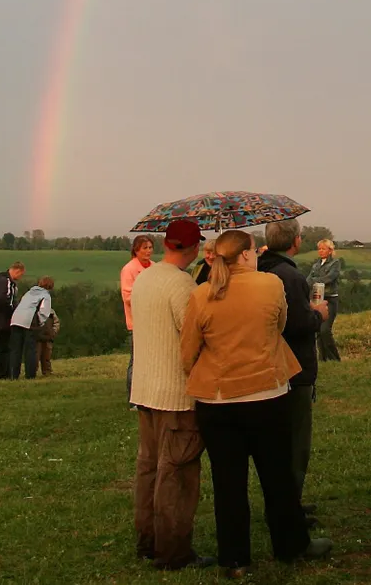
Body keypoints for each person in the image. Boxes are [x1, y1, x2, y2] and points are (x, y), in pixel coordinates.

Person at [181, 230, 333, 574]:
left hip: (217, 400)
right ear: (248, 255)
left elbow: (188, 351)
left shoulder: (201, 294)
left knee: (228, 483)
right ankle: (290, 545)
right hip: (266, 394)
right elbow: (278, 327)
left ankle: (234, 560)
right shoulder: (269, 286)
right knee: (277, 475)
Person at [130, 218, 212, 571]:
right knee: (176, 474)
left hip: (145, 389)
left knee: (148, 468)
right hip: (176, 395)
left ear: (166, 244)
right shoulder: (182, 286)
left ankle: (148, 540)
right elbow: (193, 337)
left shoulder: (144, 277)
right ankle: (174, 552)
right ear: (194, 249)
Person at [259, 218, 330, 510]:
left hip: (267, 364)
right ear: (296, 241)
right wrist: (318, 315)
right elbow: (298, 324)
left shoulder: (260, 269)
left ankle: (282, 501)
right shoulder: (291, 276)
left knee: (276, 441)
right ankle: (289, 507)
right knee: (296, 443)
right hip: (295, 367)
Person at [122, 235, 156, 397]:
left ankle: (149, 393)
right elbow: (127, 297)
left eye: (150, 247)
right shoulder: (129, 269)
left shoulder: (155, 267)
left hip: (155, 320)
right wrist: (148, 296)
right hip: (137, 322)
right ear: (136, 250)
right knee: (136, 360)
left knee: (152, 360)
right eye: (145, 248)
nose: (148, 251)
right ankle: (133, 397)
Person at [8, 276, 54, 380]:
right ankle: (30, 375)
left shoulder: (29, 293)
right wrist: (40, 324)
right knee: (30, 350)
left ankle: (13, 375)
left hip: (15, 320)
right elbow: (44, 312)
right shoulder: (45, 295)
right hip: (29, 321)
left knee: (16, 349)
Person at [0, 261, 24, 379]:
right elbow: (3, 299)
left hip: (2, 319)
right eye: (21, 274)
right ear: (16, 270)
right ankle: (0, 373)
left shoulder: (8, 282)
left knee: (4, 346)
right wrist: (13, 310)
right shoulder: (5, 281)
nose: (20, 278)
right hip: (2, 320)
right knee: (3, 347)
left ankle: (3, 372)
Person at [308, 240, 343, 363]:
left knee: (325, 329)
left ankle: (334, 359)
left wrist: (314, 281)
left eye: (323, 249)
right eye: (319, 249)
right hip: (317, 299)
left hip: (330, 299)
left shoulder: (335, 263)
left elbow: (329, 278)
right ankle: (323, 359)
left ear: (330, 250)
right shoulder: (316, 265)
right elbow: (308, 279)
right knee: (318, 330)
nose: (320, 251)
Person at [36, 308, 60, 377]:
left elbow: (56, 322)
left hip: (48, 337)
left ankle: (47, 372)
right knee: (35, 356)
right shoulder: (33, 309)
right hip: (37, 338)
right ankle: (32, 373)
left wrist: (53, 333)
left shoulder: (50, 311)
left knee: (47, 356)